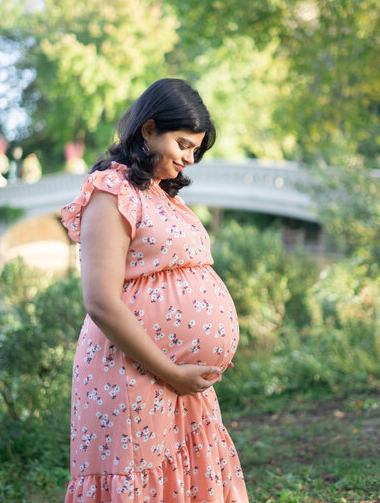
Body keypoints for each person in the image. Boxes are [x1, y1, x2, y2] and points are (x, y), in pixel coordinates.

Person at [61, 78, 249, 502]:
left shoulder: (160, 194)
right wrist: (173, 371)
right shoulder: (112, 192)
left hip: (178, 384)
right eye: (183, 144)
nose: (190, 158)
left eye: (196, 149)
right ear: (148, 130)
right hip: (130, 375)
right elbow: (101, 303)